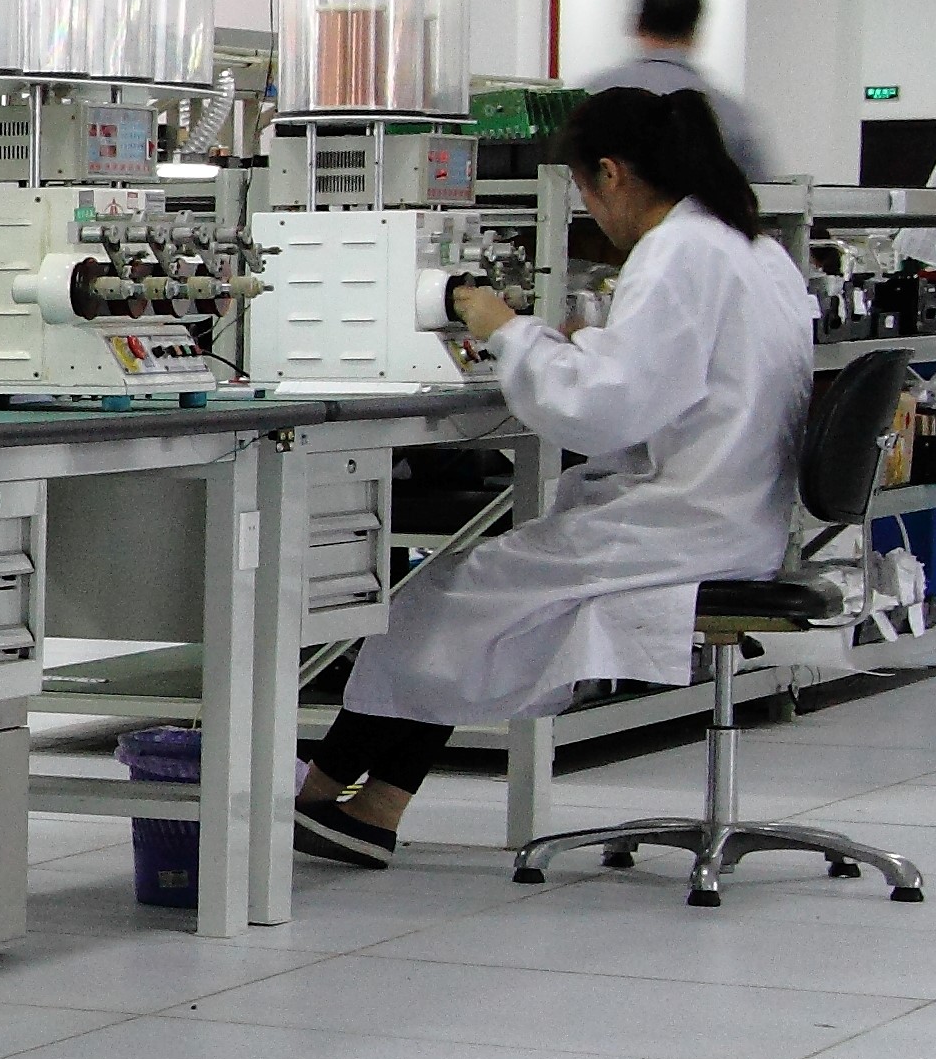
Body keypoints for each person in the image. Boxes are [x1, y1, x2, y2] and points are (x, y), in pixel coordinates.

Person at [293, 82, 817, 864]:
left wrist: (504, 329)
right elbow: (676, 379)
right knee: (476, 597)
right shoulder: (750, 246)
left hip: (688, 525)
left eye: (582, 189)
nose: (590, 212)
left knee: (444, 597)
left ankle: (325, 793)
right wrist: (575, 345)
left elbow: (604, 408)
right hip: (732, 514)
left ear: (610, 173)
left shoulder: (677, 249)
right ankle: (371, 803)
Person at [592, 0, 767, 182]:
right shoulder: (728, 113)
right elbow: (760, 191)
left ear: (637, 24)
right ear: (694, 31)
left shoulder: (592, 97)